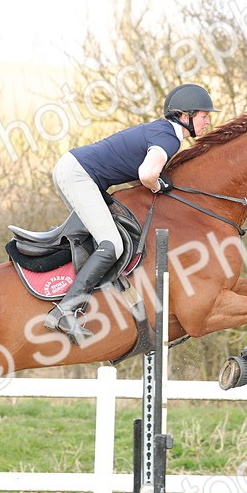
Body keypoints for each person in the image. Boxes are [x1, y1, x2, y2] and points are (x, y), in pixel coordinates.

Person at [44, 83, 218, 344]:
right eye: (204, 116)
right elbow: (146, 175)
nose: (208, 122)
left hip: (74, 170)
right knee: (111, 243)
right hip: (79, 176)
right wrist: (158, 185)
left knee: (111, 234)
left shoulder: (162, 131)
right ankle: (65, 310)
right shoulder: (169, 138)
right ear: (185, 116)